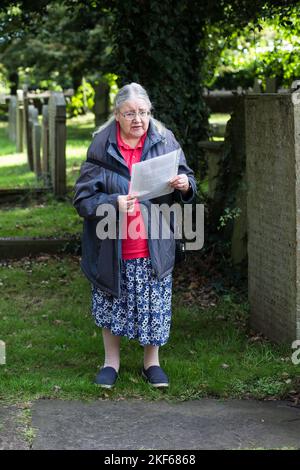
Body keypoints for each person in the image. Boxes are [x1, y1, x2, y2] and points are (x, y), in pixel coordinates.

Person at [73, 82, 196, 389]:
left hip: (153, 242)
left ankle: (151, 363)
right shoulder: (101, 146)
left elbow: (188, 177)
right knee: (112, 299)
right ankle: (110, 363)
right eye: (130, 113)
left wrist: (184, 184)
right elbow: (83, 199)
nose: (138, 119)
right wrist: (111, 203)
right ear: (117, 115)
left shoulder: (165, 140)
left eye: (143, 112)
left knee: (154, 303)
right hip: (112, 242)